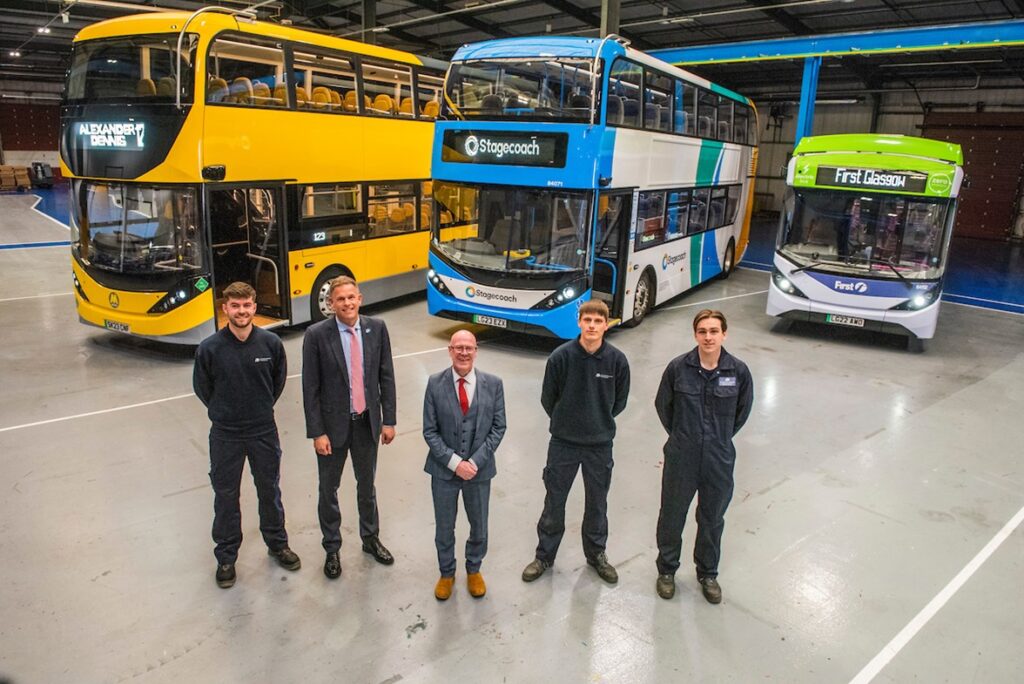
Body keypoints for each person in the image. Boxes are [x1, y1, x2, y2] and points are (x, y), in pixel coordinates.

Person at [193, 281, 300, 589]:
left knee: (269, 489)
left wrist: (260, 408)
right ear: (225, 308)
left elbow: (277, 382)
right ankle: (226, 557)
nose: (242, 311)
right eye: (235, 306)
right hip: (225, 434)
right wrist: (224, 412)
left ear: (255, 307)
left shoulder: (270, 344)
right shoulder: (210, 348)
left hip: (263, 430)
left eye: (247, 305)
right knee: (226, 496)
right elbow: (203, 388)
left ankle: (277, 544)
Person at [522, 300, 630, 585]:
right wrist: (565, 421)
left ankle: (596, 555)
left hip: (600, 443)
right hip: (563, 443)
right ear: (579, 322)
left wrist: (597, 421)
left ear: (606, 325)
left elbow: (619, 401)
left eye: (598, 321)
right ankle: (544, 555)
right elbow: (549, 398)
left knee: (597, 503)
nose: (592, 326)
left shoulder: (617, 361)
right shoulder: (560, 357)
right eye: (588, 320)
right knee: (554, 501)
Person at [654, 309, 753, 603]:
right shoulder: (678, 368)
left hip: (718, 458)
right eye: (702, 331)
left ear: (724, 333)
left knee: (712, 518)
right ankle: (667, 571)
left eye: (713, 331)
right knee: (672, 515)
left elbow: (741, 413)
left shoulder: (738, 372)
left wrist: (717, 439)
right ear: (695, 334)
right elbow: (664, 407)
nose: (708, 337)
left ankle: (708, 574)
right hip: (681, 455)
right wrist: (684, 436)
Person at [302, 275, 397, 579]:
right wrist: (317, 432)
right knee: (328, 490)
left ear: (360, 298)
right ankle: (332, 548)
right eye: (339, 299)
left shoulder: (376, 328)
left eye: (351, 297)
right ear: (331, 304)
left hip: (366, 424)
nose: (346, 303)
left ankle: (370, 539)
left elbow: (386, 376)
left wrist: (389, 420)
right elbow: (310, 388)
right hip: (332, 430)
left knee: (366, 487)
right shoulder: (316, 335)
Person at [422, 330, 506, 600]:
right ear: (449, 351)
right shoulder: (435, 383)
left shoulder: (493, 384)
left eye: (468, 347)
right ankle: (446, 573)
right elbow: (429, 431)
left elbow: (498, 427)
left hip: (479, 472)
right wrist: (455, 463)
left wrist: (475, 462)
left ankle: (474, 569)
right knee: (444, 527)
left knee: (479, 525)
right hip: (443, 472)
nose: (463, 352)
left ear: (476, 351)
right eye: (458, 347)